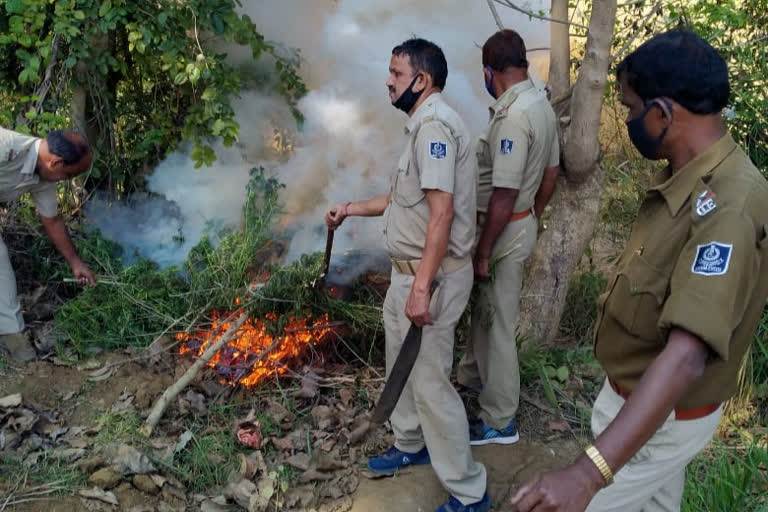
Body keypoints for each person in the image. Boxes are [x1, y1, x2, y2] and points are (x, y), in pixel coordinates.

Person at [512, 29, 768, 512]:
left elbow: (686, 358)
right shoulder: (686, 177)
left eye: (631, 110)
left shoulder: (730, 205)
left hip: (663, 420)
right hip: (636, 408)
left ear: (664, 113)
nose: (628, 121)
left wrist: (588, 475)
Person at [325, 38, 490, 512]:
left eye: (396, 74)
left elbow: (441, 214)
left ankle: (469, 490)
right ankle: (410, 444)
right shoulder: (420, 126)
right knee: (401, 363)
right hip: (409, 275)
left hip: (429, 279)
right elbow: (403, 198)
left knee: (431, 381)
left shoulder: (435, 126)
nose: (388, 81)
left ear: (422, 80)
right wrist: (350, 208)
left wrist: (421, 288)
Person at [456, 29, 560, 445]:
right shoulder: (539, 104)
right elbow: (551, 172)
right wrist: (534, 213)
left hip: (503, 228)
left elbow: (504, 192)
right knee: (487, 314)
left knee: (498, 324)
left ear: (489, 72)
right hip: (518, 222)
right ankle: (478, 384)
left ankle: (500, 422)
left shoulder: (515, 116)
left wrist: (484, 251)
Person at [0, 128, 96, 361]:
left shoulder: (43, 175)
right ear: (57, 162)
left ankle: (11, 334)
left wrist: (75, 262)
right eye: (68, 176)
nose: (66, 181)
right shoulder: (5, 147)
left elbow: (52, 219)